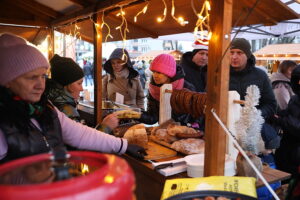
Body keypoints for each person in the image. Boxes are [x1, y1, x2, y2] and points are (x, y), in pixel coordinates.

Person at [0, 33, 145, 162]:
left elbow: (80, 134)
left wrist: (123, 145)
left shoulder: (46, 108)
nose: (40, 85)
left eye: (43, 76)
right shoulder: (4, 119)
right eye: (32, 78)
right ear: (7, 81)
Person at [229, 38, 280, 200]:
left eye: (239, 53)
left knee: (260, 176)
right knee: (232, 174)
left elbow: (271, 104)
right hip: (227, 132)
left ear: (248, 54)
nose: (234, 57)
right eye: (231, 53)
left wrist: (255, 115)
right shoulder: (221, 74)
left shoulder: (260, 75)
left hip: (255, 135)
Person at [46, 54, 118, 134]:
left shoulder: (51, 101)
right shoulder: (66, 110)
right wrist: (105, 127)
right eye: (79, 83)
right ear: (67, 85)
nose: (81, 89)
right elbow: (83, 143)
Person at [137, 54, 197, 126]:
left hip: (185, 130)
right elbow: (152, 117)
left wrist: (196, 124)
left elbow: (196, 112)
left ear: (169, 73)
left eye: (159, 72)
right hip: (164, 131)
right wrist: (135, 114)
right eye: (153, 72)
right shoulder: (153, 89)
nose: (155, 75)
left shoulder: (187, 87)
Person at [273, 65, 300, 179]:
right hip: (286, 146)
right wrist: (277, 113)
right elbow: (289, 113)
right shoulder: (295, 98)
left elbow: (298, 127)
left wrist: (279, 119)